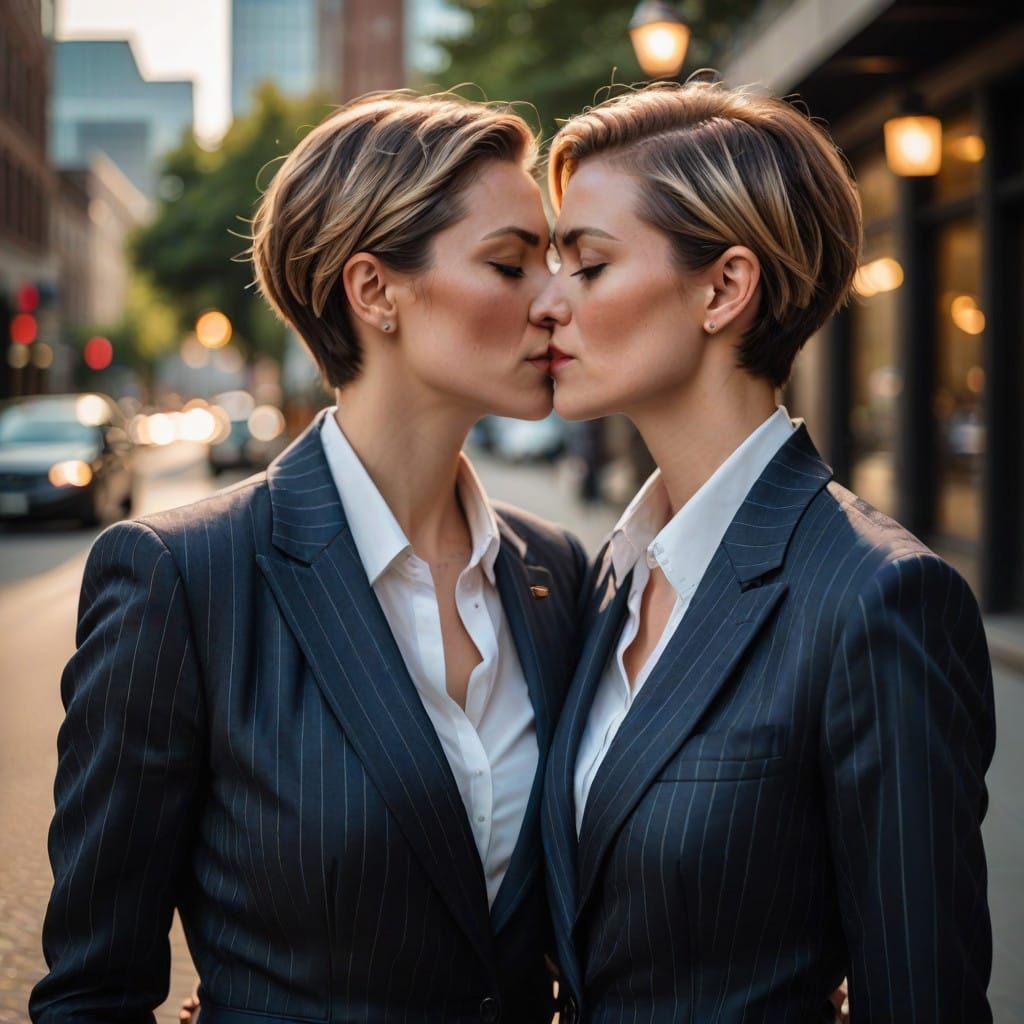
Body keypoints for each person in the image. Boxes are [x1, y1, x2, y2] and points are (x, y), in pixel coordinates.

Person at [31, 92, 588, 1024]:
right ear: (374, 290)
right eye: (509, 263)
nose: (554, 298)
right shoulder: (181, 579)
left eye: (558, 260)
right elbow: (94, 988)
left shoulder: (556, 570)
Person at [534, 80, 996, 1023]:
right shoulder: (612, 572)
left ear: (724, 288)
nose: (548, 303)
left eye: (588, 266)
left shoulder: (879, 598)